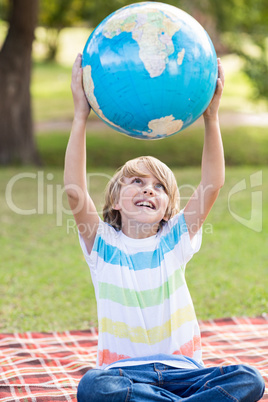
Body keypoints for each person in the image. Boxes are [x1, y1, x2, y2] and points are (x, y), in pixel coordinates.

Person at [64, 54, 265, 402]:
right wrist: (81, 114)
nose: (147, 189)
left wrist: (211, 117)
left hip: (185, 371)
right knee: (93, 386)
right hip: (125, 376)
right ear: (114, 200)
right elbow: (74, 190)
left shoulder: (175, 239)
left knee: (248, 378)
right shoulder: (101, 244)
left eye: (159, 187)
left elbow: (212, 184)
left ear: (168, 209)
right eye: (137, 182)